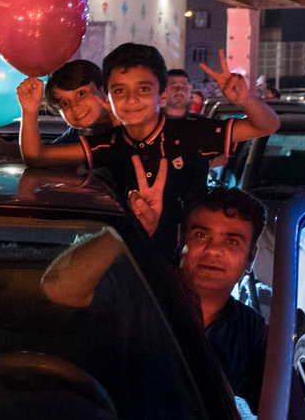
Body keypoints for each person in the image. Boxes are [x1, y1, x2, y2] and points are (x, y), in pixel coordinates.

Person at [18, 43, 279, 258]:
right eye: (119, 91)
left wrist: (245, 99)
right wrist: (29, 111)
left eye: (143, 89)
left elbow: (266, 125)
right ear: (108, 96)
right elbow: (36, 157)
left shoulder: (191, 132)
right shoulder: (109, 143)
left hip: (186, 263)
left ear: (162, 94)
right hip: (128, 259)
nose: (131, 100)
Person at [41, 168, 268, 414]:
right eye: (201, 235)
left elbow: (282, 405)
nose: (213, 251)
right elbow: (59, 288)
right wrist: (129, 232)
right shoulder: (141, 284)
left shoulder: (250, 330)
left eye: (232, 241)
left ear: (250, 259)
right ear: (182, 240)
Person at [0, 59, 114, 159]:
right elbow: (44, 151)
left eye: (81, 93)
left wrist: (30, 111)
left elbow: (37, 157)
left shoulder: (122, 133)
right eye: (65, 103)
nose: (75, 106)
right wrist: (4, 148)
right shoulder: (77, 133)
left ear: (103, 89)